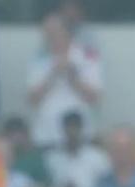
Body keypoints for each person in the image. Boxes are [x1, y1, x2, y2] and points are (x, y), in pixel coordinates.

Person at [27, 13, 102, 148]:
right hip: (46, 134)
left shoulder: (87, 56)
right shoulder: (38, 58)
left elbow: (94, 97)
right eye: (46, 32)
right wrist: (52, 74)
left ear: (67, 32)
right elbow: (32, 99)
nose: (49, 36)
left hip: (79, 134)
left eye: (54, 32)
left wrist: (72, 76)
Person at [2, 116, 51, 187]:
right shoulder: (0, 157)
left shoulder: (34, 158)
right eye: (11, 134)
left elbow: (45, 184)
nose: (15, 138)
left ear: (25, 134)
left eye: (19, 133)